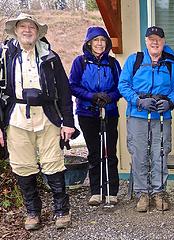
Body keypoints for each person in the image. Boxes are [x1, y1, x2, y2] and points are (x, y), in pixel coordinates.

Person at [0, 13, 75, 230]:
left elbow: (64, 90)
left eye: (31, 26)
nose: (27, 30)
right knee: (23, 166)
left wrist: (68, 121)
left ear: (37, 31)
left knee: (54, 163)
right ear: (15, 30)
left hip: (47, 115)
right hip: (16, 118)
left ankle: (62, 210)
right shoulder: (4, 57)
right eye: (22, 26)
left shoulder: (50, 57)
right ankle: (33, 212)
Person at [118, 26, 174, 212]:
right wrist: (138, 101)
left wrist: (170, 102)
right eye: (151, 39)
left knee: (160, 153)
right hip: (138, 115)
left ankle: (158, 192)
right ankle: (142, 193)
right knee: (139, 154)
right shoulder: (134, 60)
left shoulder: (170, 64)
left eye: (158, 39)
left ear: (163, 42)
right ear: (146, 41)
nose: (155, 42)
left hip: (162, 116)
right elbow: (123, 84)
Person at [69, 26, 122, 206]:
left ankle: (111, 191)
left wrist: (110, 97)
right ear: (89, 43)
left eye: (103, 40)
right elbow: (73, 86)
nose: (99, 43)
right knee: (94, 152)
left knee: (110, 151)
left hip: (109, 112)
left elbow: (120, 87)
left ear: (106, 43)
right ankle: (96, 191)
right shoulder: (80, 62)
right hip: (87, 112)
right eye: (96, 40)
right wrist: (91, 96)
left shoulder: (113, 63)